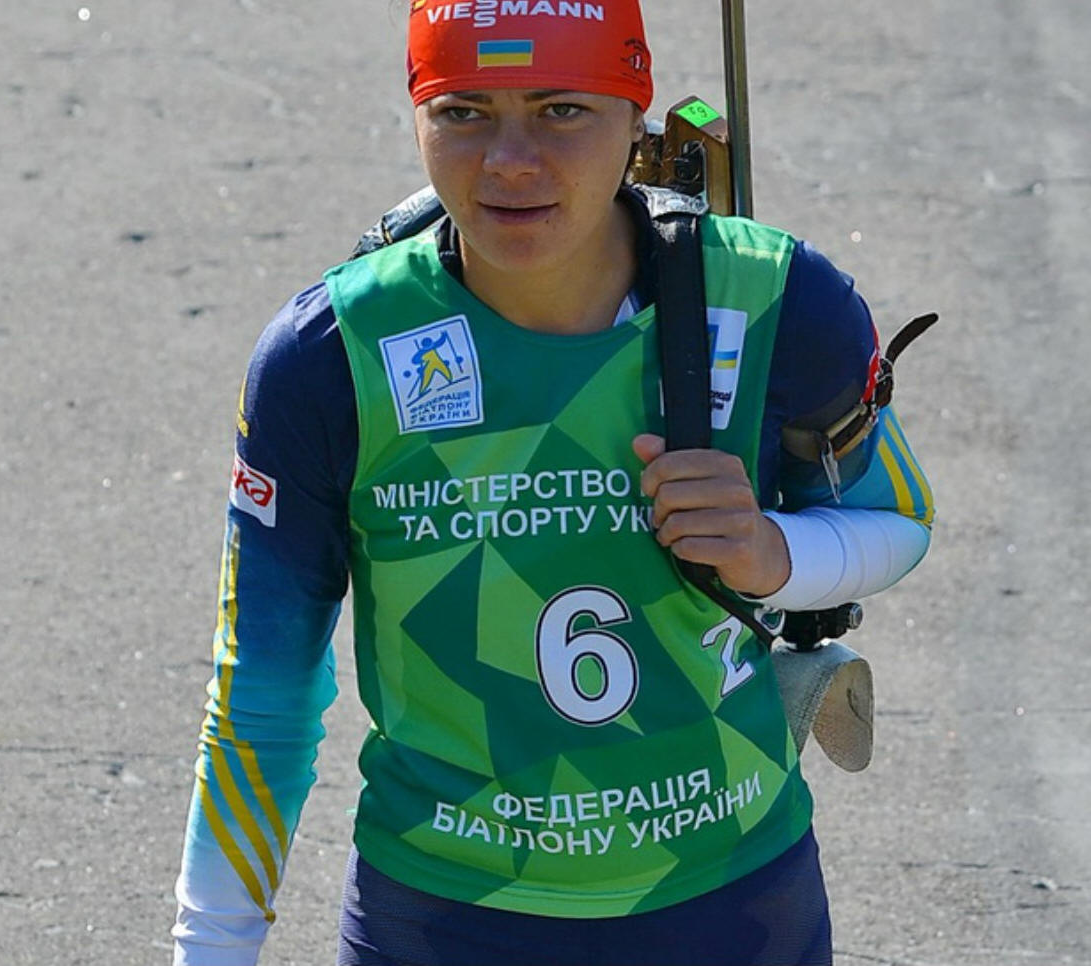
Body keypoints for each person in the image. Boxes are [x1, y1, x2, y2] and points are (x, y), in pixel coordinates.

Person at [171, 2, 935, 964]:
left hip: (728, 902)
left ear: (635, 115)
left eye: (562, 109)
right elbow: (263, 691)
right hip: (443, 914)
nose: (510, 161)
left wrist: (772, 554)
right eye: (463, 112)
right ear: (416, 114)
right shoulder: (330, 353)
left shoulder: (776, 295)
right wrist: (211, 948)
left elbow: (897, 520)